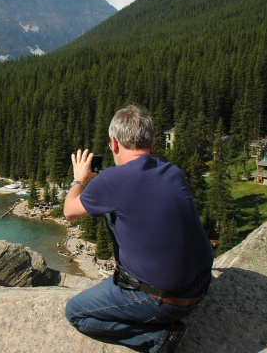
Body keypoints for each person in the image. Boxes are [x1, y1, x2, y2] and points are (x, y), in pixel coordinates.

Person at [63, 105, 214, 353]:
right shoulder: (173, 173)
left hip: (160, 302)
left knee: (76, 314)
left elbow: (70, 210)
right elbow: (136, 188)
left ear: (113, 144)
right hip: (199, 289)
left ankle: (157, 338)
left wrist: (79, 179)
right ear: (152, 143)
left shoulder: (110, 182)